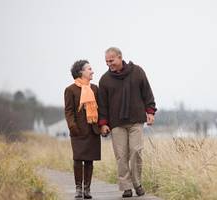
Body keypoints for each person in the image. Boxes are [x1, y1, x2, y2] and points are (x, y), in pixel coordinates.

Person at [98, 47, 157, 198]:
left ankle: (137, 183)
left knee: (136, 151)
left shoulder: (137, 72)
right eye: (106, 61)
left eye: (111, 60)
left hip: (136, 120)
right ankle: (126, 187)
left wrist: (150, 112)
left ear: (119, 57)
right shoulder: (104, 80)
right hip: (116, 123)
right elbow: (103, 105)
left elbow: (147, 93)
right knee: (121, 155)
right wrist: (103, 123)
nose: (109, 64)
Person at [64, 60, 101, 199]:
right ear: (81, 72)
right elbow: (68, 111)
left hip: (93, 129)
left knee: (90, 160)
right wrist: (73, 127)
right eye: (89, 69)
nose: (92, 71)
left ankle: (87, 189)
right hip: (78, 131)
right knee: (78, 159)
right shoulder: (70, 90)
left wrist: (102, 125)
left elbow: (100, 108)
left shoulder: (95, 88)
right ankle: (78, 188)